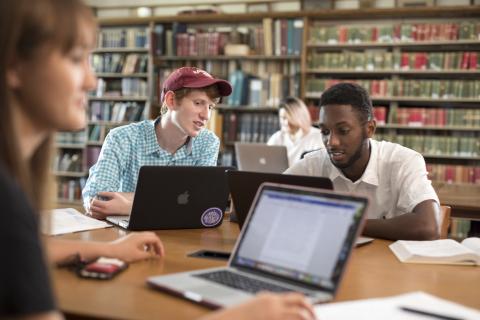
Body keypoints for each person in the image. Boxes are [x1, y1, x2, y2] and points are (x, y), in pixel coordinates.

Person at [0, 1, 315, 319]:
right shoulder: (11, 198)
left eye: (211, 106)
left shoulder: (14, 192)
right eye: (75, 58)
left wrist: (111, 245)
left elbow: (204, 206)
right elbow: (100, 201)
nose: (93, 81)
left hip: (162, 247)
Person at [285, 83, 440, 241]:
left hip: (388, 264)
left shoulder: (403, 161)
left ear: (370, 129)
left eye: (343, 131)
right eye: (325, 132)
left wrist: (345, 224)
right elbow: (265, 200)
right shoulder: (313, 165)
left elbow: (428, 227)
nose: (331, 142)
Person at [82, 66, 232, 219]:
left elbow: (202, 203)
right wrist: (175, 203)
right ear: (171, 100)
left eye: (210, 106)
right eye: (198, 103)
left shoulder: (208, 142)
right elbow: (98, 200)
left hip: (183, 235)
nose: (206, 115)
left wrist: (130, 206)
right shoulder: (122, 138)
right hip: (128, 237)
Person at [267, 97, 323, 166]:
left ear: (300, 117)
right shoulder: (276, 138)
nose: (286, 123)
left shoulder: (317, 136)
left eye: (290, 118)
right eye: (283, 118)